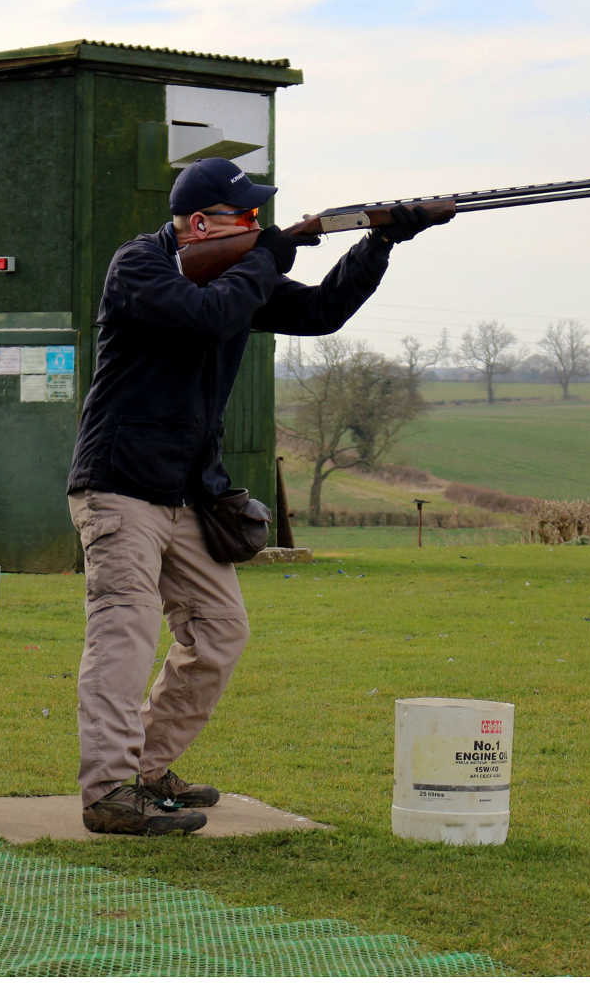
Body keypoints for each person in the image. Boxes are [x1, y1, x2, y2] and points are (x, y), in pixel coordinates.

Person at [66, 157, 434, 834]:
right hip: (121, 484)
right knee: (127, 628)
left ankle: (148, 768)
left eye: (264, 219)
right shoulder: (138, 267)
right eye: (249, 219)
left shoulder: (235, 275)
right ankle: (110, 790)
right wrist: (269, 255)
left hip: (185, 490)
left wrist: (378, 242)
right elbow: (210, 316)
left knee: (221, 629)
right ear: (202, 224)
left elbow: (322, 311)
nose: (261, 227)